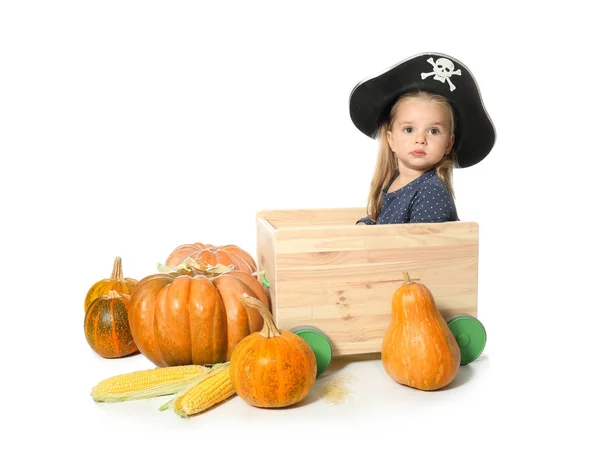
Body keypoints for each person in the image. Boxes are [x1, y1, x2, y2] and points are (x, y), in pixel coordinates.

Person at [349, 52, 496, 225]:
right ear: (391, 140)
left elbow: (421, 244)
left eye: (433, 131)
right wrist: (366, 223)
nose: (420, 139)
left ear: (448, 143)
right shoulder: (395, 181)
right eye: (409, 129)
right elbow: (385, 221)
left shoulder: (430, 191)